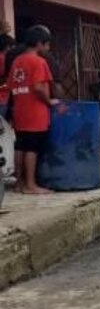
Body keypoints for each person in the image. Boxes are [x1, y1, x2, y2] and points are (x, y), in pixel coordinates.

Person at [8, 25, 59, 195]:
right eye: (46, 44)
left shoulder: (17, 61)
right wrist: (49, 101)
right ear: (39, 43)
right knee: (32, 147)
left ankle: (19, 183)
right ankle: (31, 185)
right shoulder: (38, 61)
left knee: (20, 145)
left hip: (19, 108)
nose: (48, 48)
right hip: (35, 111)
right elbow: (38, 87)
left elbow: (11, 85)